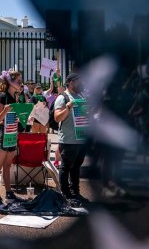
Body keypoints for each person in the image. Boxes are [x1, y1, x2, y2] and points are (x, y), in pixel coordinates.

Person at [52, 73, 89, 206]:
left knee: (76, 167)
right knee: (66, 167)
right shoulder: (63, 98)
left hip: (81, 139)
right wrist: (68, 107)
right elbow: (57, 118)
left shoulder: (81, 96)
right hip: (68, 140)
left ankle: (75, 193)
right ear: (71, 82)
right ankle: (65, 195)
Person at [0, 69, 25, 211]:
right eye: (18, 80)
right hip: (2, 136)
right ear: (10, 82)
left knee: (7, 166)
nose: (21, 83)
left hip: (12, 135)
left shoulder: (16, 96)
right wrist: (5, 110)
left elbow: (14, 118)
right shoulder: (2, 96)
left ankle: (9, 193)